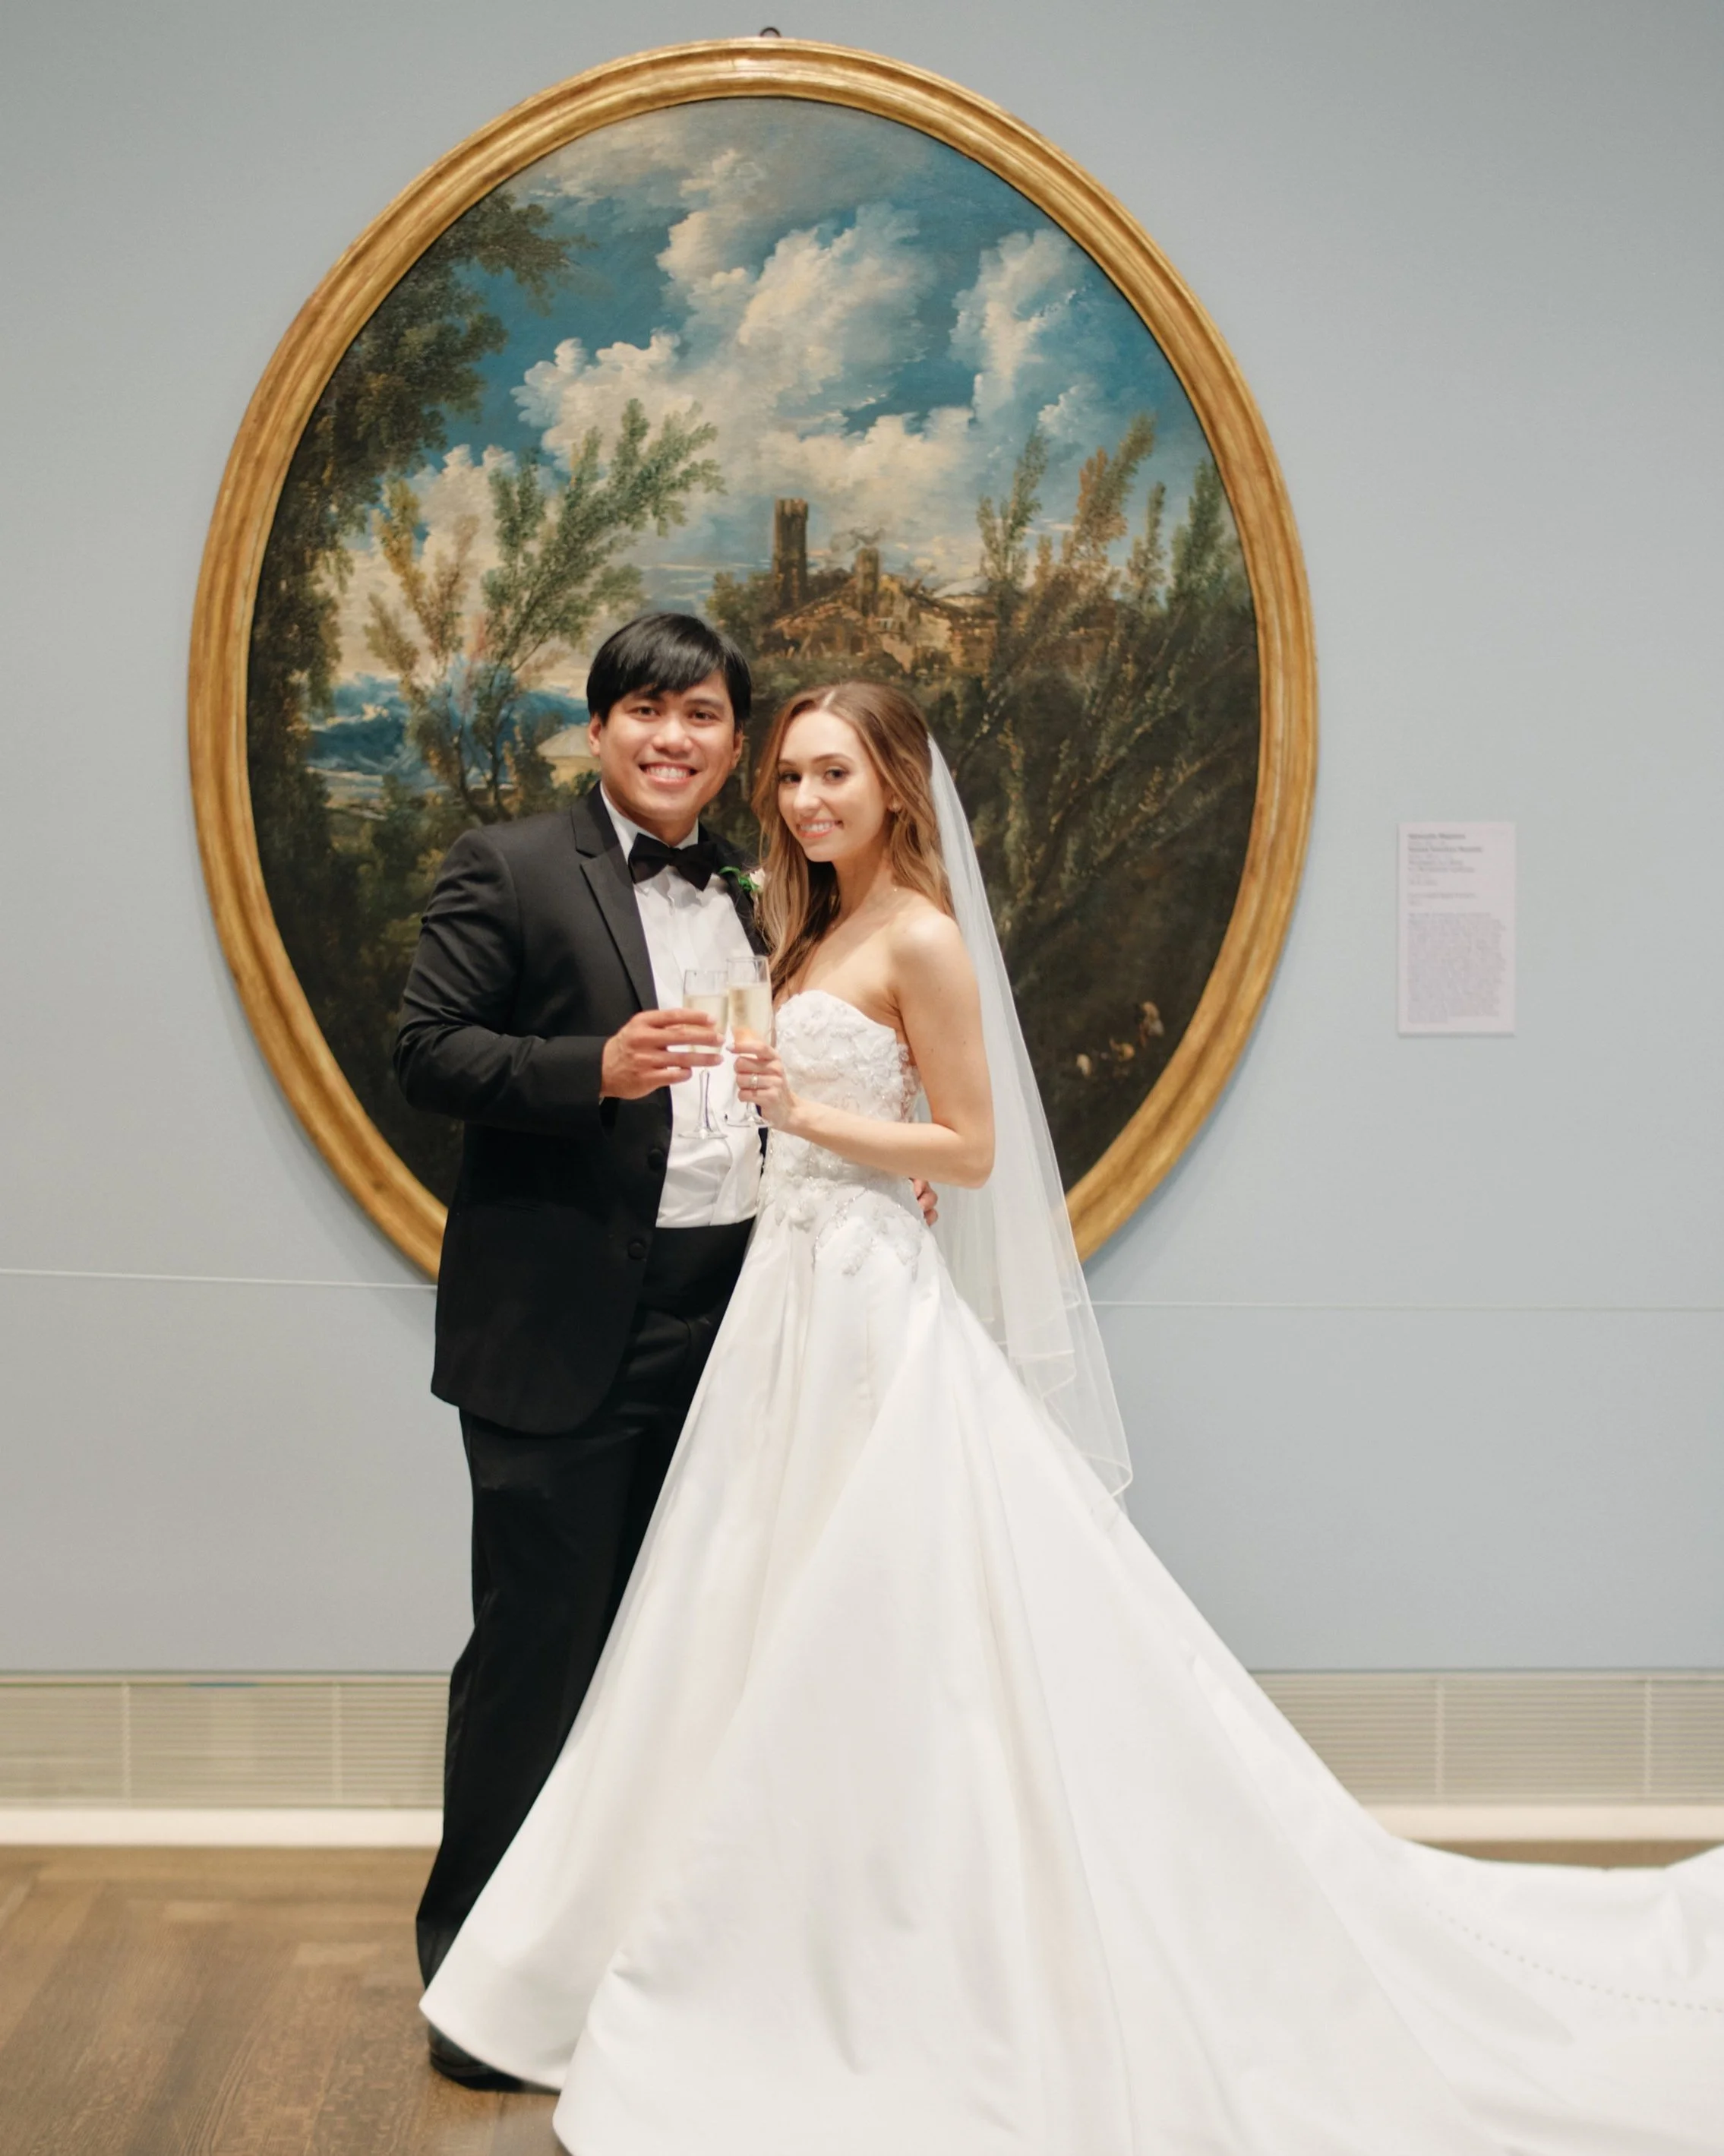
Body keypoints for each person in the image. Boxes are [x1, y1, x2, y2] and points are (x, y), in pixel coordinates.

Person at [421, 680, 1724, 2150]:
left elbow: (969, 1148)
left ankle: (915, 1953)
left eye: (831, 772)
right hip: (779, 1309)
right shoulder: (802, 923)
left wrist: (820, 1119)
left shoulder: (915, 932)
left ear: (899, 786)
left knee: (899, 1627)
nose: (801, 799)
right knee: (745, 1615)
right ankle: (741, 1919)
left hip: (864, 1307)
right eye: (787, 775)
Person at [394, 615, 924, 2078]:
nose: (671, 737)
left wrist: (891, 1161)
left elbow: (806, 1072)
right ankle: (472, 1981)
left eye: (699, 714)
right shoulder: (505, 865)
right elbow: (426, 1049)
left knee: (682, 1656)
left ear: (731, 741)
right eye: (644, 710)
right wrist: (590, 1068)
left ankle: (628, 1961)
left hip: (743, 1313)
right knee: (535, 1651)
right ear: (600, 728)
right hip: (559, 1327)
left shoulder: (771, 894)